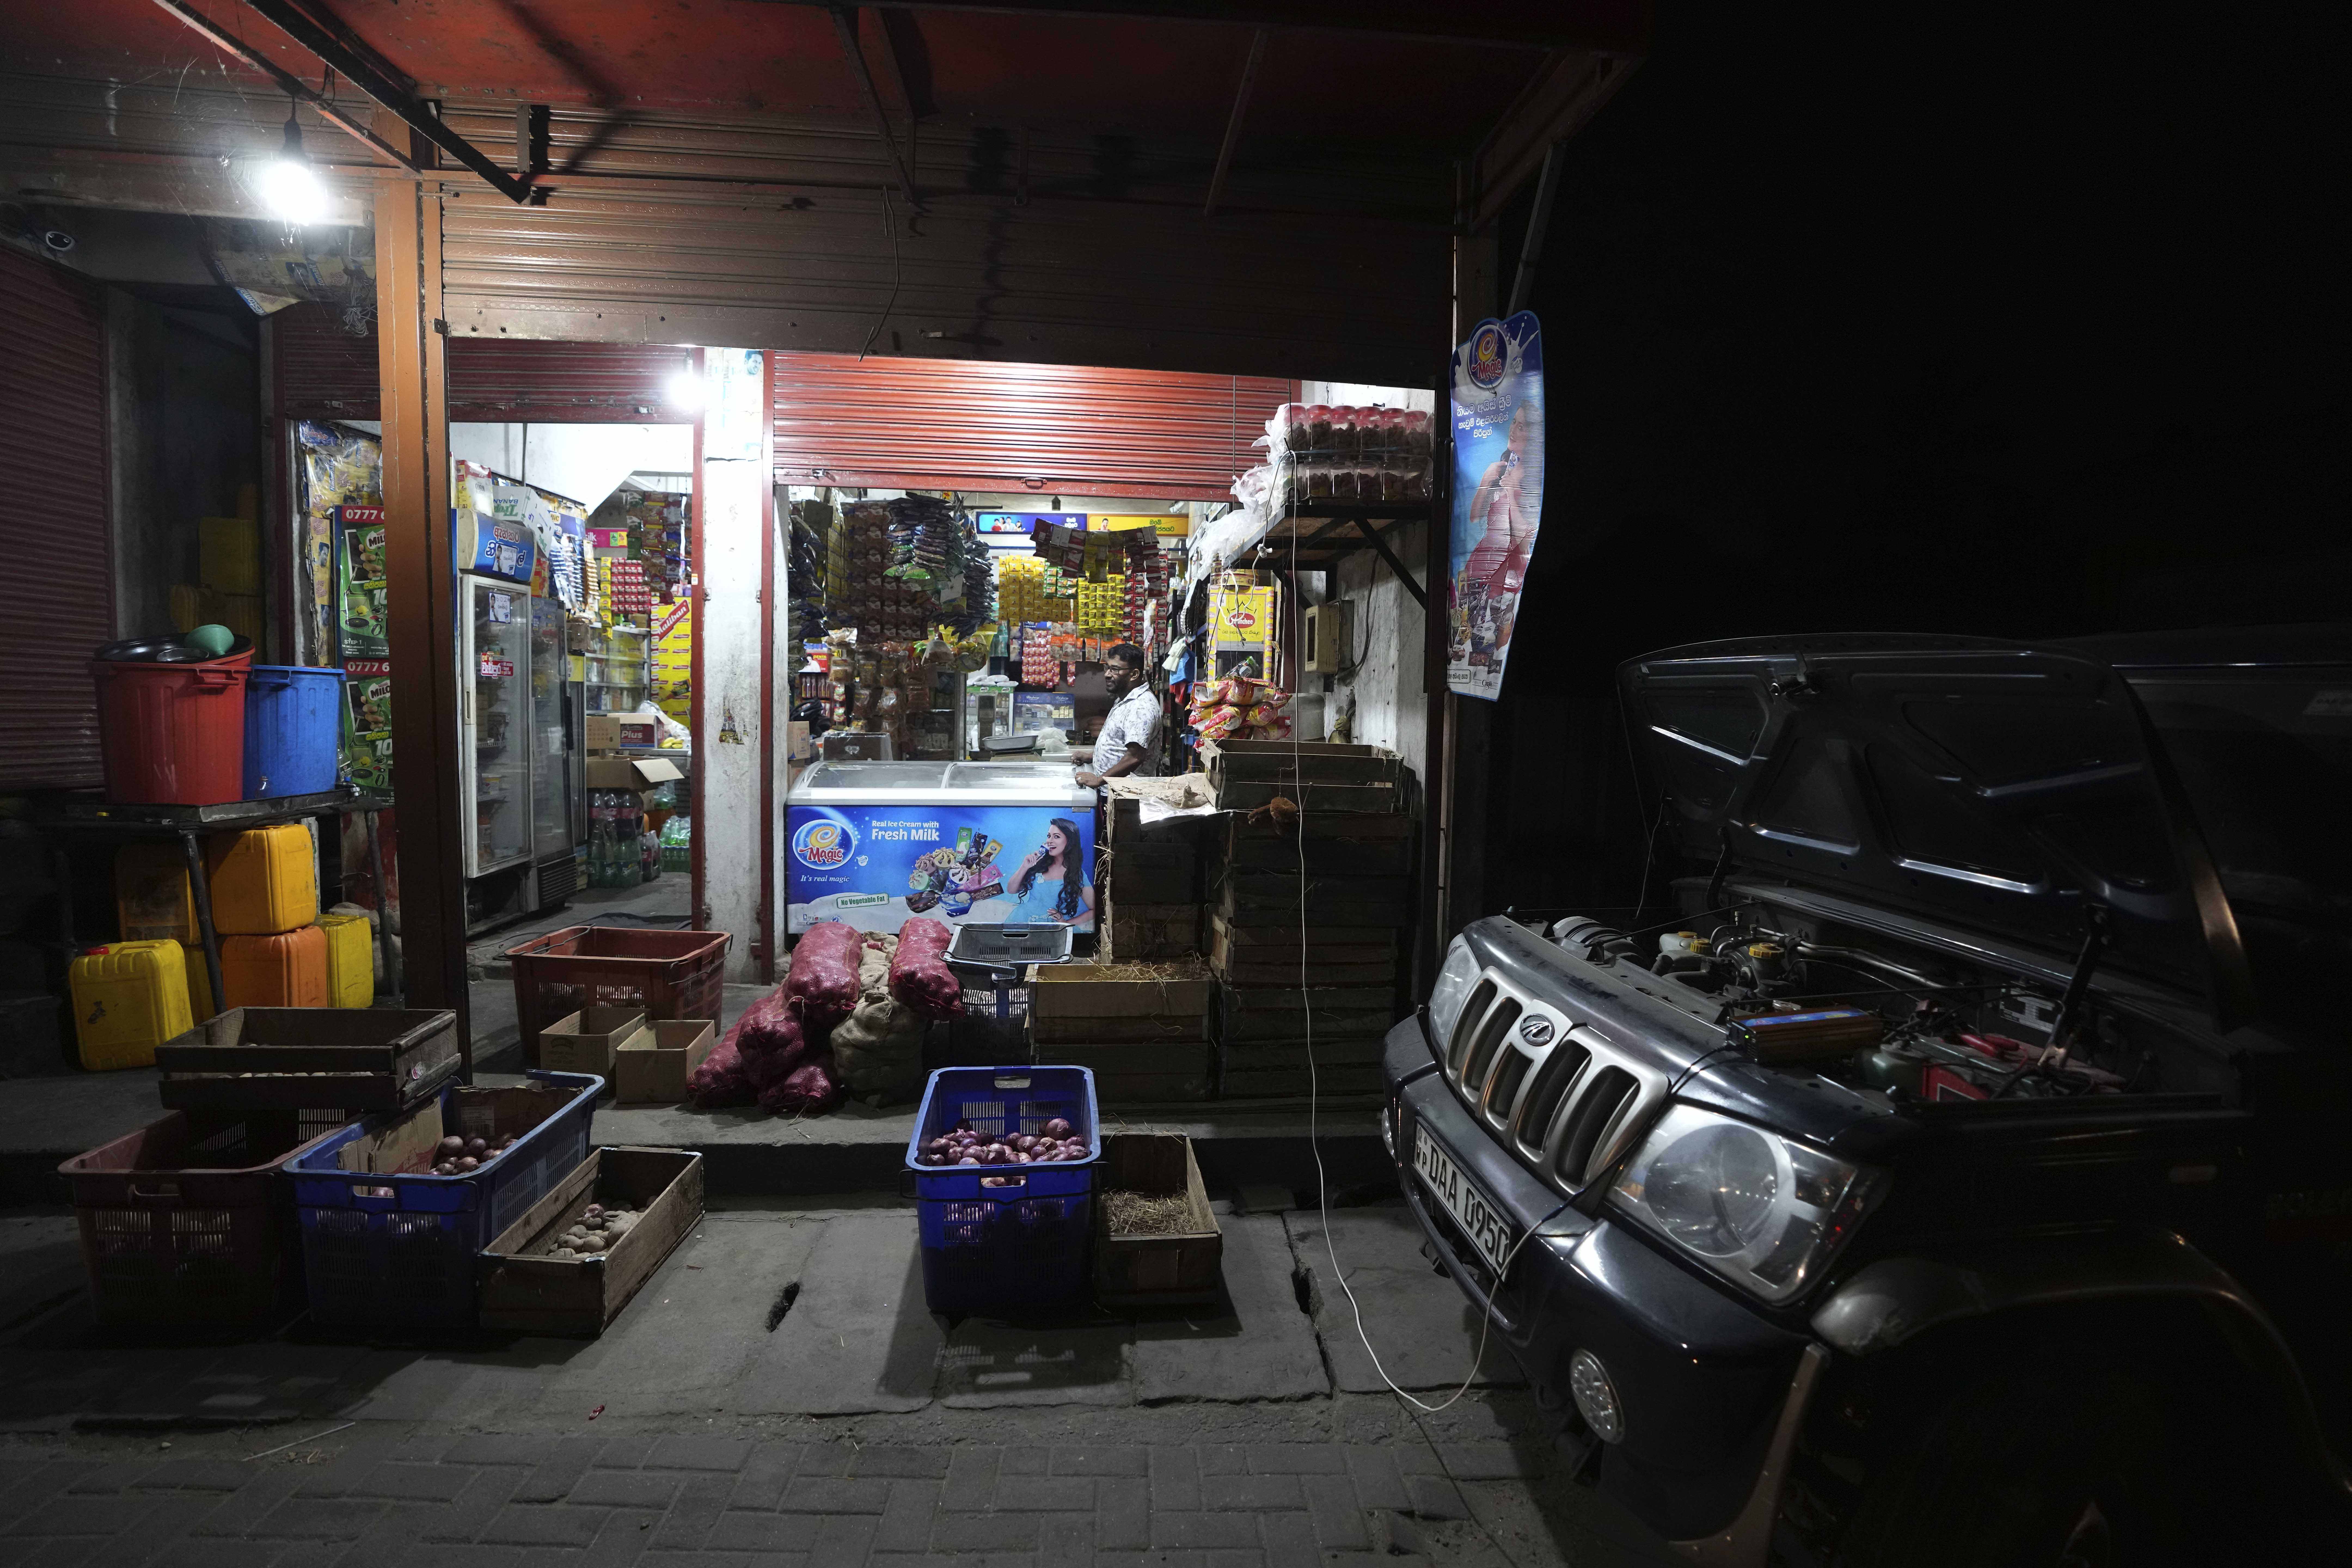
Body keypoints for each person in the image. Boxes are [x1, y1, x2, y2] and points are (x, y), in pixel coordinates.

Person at [1074, 642, 1160, 791]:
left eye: (1115, 670)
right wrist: (1093, 757)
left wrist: (1099, 780)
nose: (1107, 674)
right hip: (1112, 789)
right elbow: (1119, 744)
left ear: (1134, 675)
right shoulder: (1125, 698)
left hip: (1126, 794)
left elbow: (1134, 757)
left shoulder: (1141, 707)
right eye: (1108, 668)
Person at [1006, 817, 1092, 925]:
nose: (1049, 841)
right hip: (1025, 920)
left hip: (1054, 928)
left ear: (1070, 841)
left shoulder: (1077, 874)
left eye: (1057, 837)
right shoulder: (1038, 865)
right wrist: (1024, 867)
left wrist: (1066, 922)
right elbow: (1011, 890)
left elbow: (1094, 910)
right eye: (1049, 836)